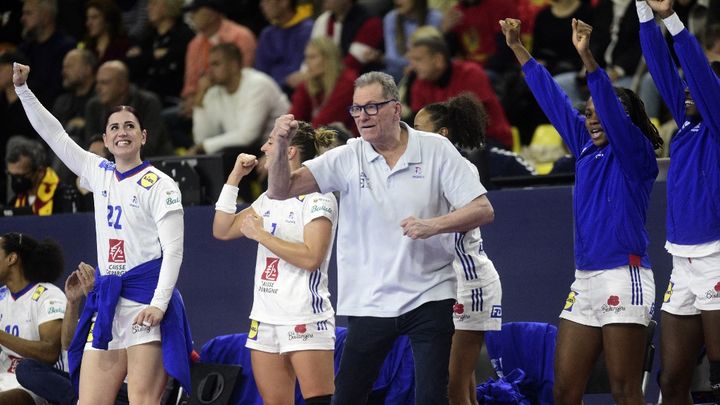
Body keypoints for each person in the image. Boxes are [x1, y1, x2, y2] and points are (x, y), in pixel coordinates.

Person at [265, 71, 495, 404]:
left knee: (433, 396)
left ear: (395, 108)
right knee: (348, 397)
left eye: (372, 107)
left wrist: (435, 225)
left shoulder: (436, 149)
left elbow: (483, 210)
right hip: (369, 299)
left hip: (430, 293)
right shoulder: (347, 156)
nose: (362, 116)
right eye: (356, 109)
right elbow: (279, 190)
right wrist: (281, 145)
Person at [500, 17, 662, 404]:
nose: (591, 118)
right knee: (565, 391)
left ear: (622, 119)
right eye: (587, 112)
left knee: (625, 390)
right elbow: (553, 99)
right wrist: (518, 48)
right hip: (584, 281)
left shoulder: (636, 154)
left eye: (599, 111)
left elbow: (606, 102)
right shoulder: (586, 147)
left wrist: (587, 57)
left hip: (625, 275)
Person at [13, 62, 193, 403]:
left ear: (143, 136)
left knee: (143, 400)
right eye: (114, 127)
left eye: (130, 126)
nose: (122, 131)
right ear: (107, 140)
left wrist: (158, 304)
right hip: (109, 301)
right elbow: (55, 136)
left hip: (145, 299)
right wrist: (23, 89)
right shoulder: (99, 172)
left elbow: (174, 251)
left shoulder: (161, 185)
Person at [213, 122, 338, 405]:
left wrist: (262, 235)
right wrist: (234, 178)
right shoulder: (268, 197)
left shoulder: (319, 196)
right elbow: (221, 230)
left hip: (305, 315)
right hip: (265, 318)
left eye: (270, 142)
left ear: (289, 150)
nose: (263, 148)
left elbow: (311, 257)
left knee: (318, 401)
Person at [637, 1, 720, 403]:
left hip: (717, 255)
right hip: (682, 261)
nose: (686, 90)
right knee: (671, 380)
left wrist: (671, 17)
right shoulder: (687, 125)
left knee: (719, 377)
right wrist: (643, 9)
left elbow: (702, 76)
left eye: (695, 87)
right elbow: (659, 64)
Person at [412, 94, 503, 405]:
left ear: (442, 135)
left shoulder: (462, 168)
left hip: (469, 283)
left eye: (418, 127)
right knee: (463, 386)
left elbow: (474, 215)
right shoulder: (420, 172)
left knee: (453, 384)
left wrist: (430, 224)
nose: (410, 135)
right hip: (443, 285)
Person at [406, 34, 513, 149]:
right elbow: (418, 124)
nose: (412, 66)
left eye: (418, 59)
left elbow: (473, 122)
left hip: (489, 140)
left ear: (438, 60)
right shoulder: (420, 83)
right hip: (447, 144)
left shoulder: (471, 73)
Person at [0, 232, 67, 405]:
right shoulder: (1, 296)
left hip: (36, 382)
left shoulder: (48, 295)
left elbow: (49, 352)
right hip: (4, 374)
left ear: (12, 258)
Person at [414, 93, 535, 187]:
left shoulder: (498, 161)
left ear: (442, 132)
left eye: (418, 130)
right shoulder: (416, 167)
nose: (413, 135)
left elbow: (539, 185)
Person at [16, 262, 96, 405]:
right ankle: (78, 401)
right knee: (26, 368)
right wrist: (73, 302)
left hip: (115, 384)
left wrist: (95, 298)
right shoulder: (96, 310)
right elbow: (68, 344)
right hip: (82, 384)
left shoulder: (135, 307)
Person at [84, 60, 174, 158]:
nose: (98, 88)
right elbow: (92, 142)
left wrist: (107, 149)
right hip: (109, 164)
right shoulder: (93, 106)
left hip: (151, 164)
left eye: (104, 83)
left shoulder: (148, 103)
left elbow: (148, 145)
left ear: (122, 85)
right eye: (97, 83)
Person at [289, 38, 358, 137]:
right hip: (319, 140)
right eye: (306, 57)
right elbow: (293, 119)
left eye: (312, 57)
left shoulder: (347, 82)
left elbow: (324, 125)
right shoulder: (307, 83)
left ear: (328, 59)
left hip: (346, 142)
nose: (307, 63)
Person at [382, 0, 442, 81]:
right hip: (395, 72)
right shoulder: (391, 18)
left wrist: (414, 65)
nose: (397, 1)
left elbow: (430, 57)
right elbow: (391, 57)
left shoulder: (436, 18)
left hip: (424, 71)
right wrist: (415, 62)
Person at [5, 137, 63, 216]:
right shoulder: (14, 202)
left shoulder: (62, 197)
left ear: (40, 172)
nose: (15, 180)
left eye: (20, 176)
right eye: (11, 175)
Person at [81, 0, 132, 64]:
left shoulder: (123, 46)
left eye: (94, 17)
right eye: (88, 18)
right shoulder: (87, 47)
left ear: (108, 20)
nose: (88, 23)